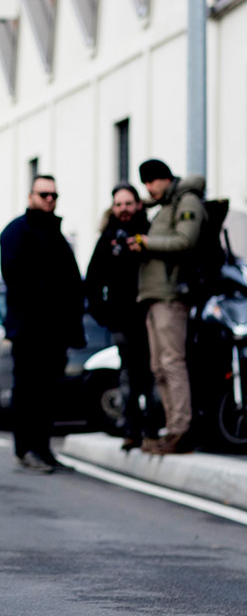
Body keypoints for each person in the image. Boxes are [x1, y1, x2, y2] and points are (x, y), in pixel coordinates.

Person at [0, 175, 86, 473]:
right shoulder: (16, 232)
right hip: (29, 330)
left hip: (55, 332)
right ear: (30, 196)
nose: (50, 199)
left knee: (49, 392)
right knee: (28, 390)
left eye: (54, 195)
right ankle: (26, 450)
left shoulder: (56, 234)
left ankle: (43, 449)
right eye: (44, 194)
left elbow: (71, 282)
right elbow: (17, 279)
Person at [127, 158, 207, 455]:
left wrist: (146, 242)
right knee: (159, 366)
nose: (148, 188)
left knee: (172, 363)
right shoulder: (164, 206)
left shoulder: (187, 201)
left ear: (163, 178)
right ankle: (172, 428)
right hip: (154, 295)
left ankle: (181, 430)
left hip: (171, 295)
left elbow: (186, 240)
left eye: (151, 182)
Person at [85, 184, 155, 451]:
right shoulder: (108, 238)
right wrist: (103, 314)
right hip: (122, 322)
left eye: (128, 203)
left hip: (150, 318)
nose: (123, 209)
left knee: (152, 375)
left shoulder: (150, 232)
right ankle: (132, 430)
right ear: (113, 208)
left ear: (137, 204)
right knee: (128, 375)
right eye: (119, 204)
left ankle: (153, 429)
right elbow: (93, 280)